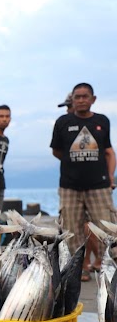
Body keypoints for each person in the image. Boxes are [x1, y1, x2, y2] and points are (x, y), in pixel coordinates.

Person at [50, 83, 116, 281]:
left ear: (93, 99)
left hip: (99, 186)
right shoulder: (62, 122)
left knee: (106, 228)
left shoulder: (102, 121)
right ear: (73, 100)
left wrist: (110, 177)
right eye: (77, 97)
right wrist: (75, 161)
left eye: (85, 96)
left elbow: (107, 151)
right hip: (70, 187)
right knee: (71, 229)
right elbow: (57, 151)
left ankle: (109, 266)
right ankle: (80, 268)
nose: (80, 100)